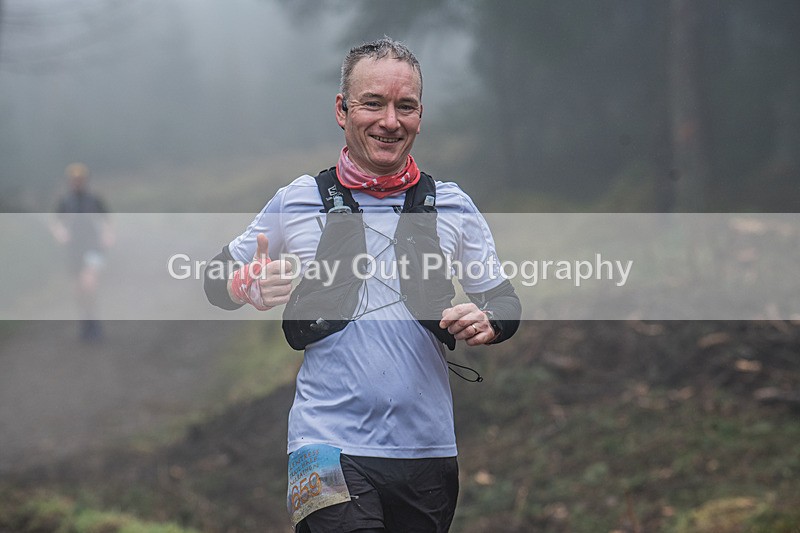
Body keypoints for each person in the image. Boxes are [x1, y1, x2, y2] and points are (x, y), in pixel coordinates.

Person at [204, 38, 521, 533]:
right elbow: (213, 279)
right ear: (342, 110)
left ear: (420, 115)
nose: (390, 121)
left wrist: (488, 321)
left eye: (405, 106)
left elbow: (504, 301)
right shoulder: (299, 199)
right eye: (373, 103)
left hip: (427, 451)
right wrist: (248, 284)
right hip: (324, 445)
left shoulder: (453, 205)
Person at [51, 162, 113, 340]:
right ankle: (85, 322)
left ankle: (94, 323)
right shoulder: (65, 202)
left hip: (93, 248)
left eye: (80, 179)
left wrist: (108, 235)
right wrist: (60, 234)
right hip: (73, 250)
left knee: (89, 284)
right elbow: (56, 222)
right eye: (74, 179)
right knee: (78, 290)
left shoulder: (94, 200)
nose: (77, 182)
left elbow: (107, 219)